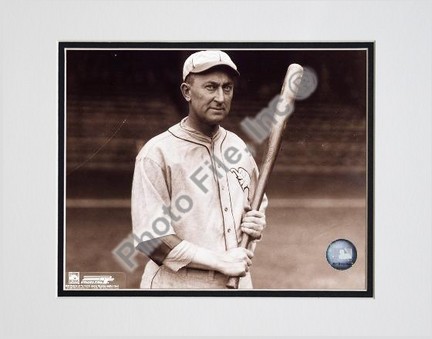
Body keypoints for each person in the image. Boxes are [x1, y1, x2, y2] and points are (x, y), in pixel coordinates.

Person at [131, 50, 267, 289]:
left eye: (227, 88)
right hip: (178, 285)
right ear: (186, 92)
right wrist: (219, 261)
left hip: (238, 282)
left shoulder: (238, 148)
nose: (221, 98)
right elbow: (151, 239)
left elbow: (256, 202)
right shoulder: (157, 153)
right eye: (210, 87)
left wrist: (256, 222)